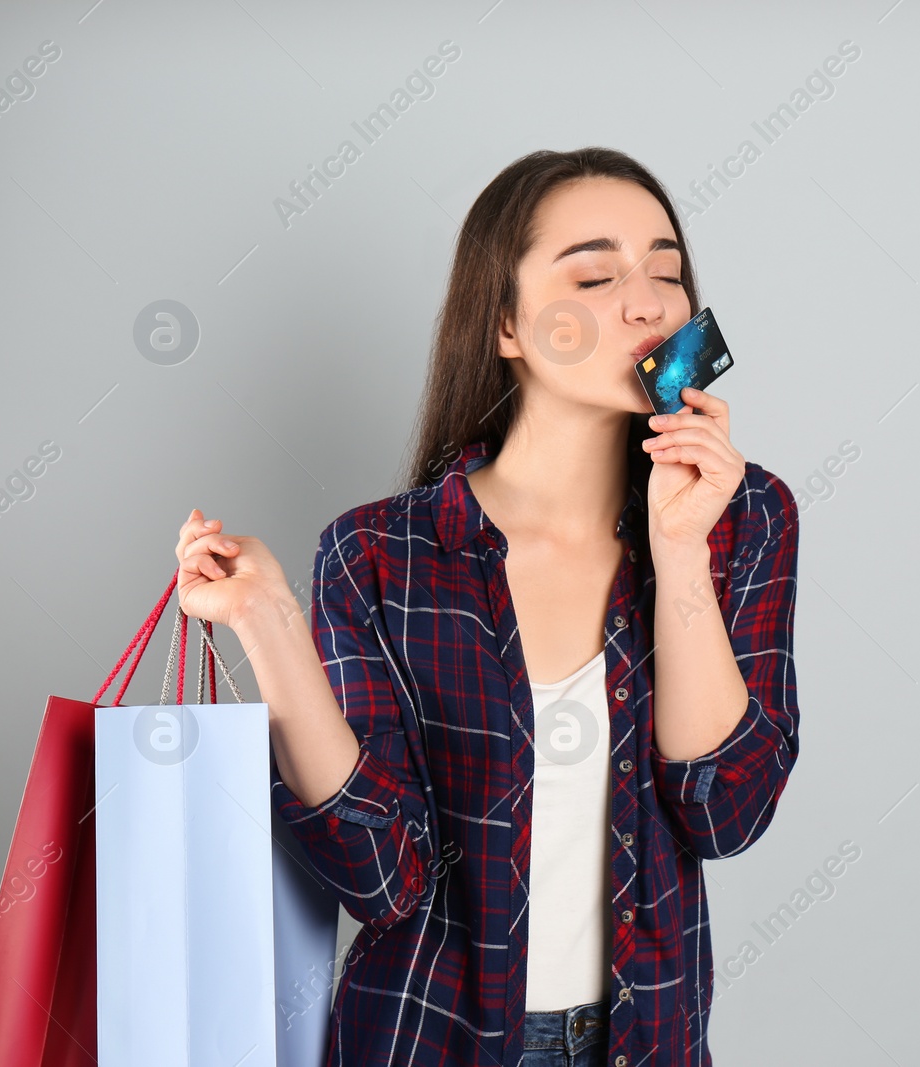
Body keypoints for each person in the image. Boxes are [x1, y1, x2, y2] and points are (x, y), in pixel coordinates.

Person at [172, 147, 801, 1067]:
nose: (646, 302)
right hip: (429, 1042)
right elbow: (382, 876)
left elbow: (724, 812)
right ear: (505, 323)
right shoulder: (380, 553)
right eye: (594, 274)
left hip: (646, 1044)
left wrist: (679, 550)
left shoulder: (743, 516)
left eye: (666, 273)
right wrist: (269, 620)